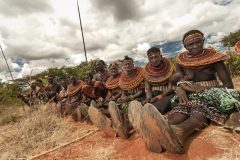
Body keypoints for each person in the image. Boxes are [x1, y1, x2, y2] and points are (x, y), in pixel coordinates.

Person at [129, 30, 234, 153]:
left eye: (198, 42)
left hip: (211, 92)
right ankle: (160, 130)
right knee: (182, 107)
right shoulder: (181, 61)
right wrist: (179, 88)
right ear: (185, 46)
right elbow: (177, 80)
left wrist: (203, 89)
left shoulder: (215, 59)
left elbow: (228, 85)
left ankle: (178, 132)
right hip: (188, 91)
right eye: (190, 44)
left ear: (203, 41)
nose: (195, 46)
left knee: (200, 108)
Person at [128, 47, 176, 152]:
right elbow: (148, 86)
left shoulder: (170, 67)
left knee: (155, 107)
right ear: (148, 59)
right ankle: (130, 126)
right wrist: (149, 97)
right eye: (151, 58)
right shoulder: (147, 70)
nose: (154, 60)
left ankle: (153, 132)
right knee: (142, 104)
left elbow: (171, 87)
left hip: (168, 93)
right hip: (153, 93)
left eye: (156, 57)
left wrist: (160, 96)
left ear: (161, 56)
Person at [108, 56, 145, 139]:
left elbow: (142, 91)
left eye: (129, 64)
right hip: (128, 98)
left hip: (139, 97)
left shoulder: (139, 74)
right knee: (119, 106)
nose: (127, 66)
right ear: (123, 66)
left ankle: (126, 129)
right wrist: (122, 97)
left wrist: (130, 98)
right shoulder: (123, 77)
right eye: (125, 64)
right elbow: (123, 91)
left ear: (133, 65)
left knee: (128, 107)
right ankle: (119, 126)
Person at [88, 62, 122, 137]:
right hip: (110, 95)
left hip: (121, 96)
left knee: (115, 106)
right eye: (112, 69)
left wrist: (115, 97)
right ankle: (108, 123)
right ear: (110, 70)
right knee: (103, 106)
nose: (113, 70)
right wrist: (106, 100)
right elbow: (110, 91)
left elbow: (123, 90)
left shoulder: (122, 75)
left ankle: (119, 126)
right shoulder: (109, 78)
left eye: (115, 68)